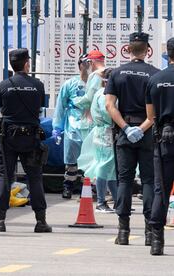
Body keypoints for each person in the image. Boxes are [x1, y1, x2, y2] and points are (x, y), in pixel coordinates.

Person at [0, 48, 51, 233]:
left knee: (4, 177)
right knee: (35, 178)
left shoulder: (4, 85)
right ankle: (41, 222)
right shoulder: (38, 85)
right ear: (26, 63)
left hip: (8, 137)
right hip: (31, 137)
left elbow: (2, 108)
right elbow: (39, 108)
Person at [105, 32, 159, 246]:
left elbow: (109, 105)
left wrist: (127, 128)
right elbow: (155, 112)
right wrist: (142, 127)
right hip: (147, 132)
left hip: (124, 131)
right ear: (147, 50)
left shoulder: (117, 73)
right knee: (148, 181)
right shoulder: (155, 74)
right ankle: (148, 231)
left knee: (125, 181)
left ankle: (124, 230)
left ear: (127, 49)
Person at [145, 37, 174, 255]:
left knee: (161, 190)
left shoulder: (155, 80)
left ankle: (157, 242)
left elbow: (150, 116)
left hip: (164, 141)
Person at [52, 55, 90, 199]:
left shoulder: (97, 83)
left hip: (91, 126)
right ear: (80, 65)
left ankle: (88, 190)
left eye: (90, 63)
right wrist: (57, 127)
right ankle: (68, 187)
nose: (88, 66)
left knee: (89, 160)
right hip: (73, 126)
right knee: (71, 161)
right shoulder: (69, 84)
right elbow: (60, 106)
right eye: (85, 63)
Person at [87, 68, 118, 213]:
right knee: (104, 167)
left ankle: (118, 201)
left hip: (106, 132)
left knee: (110, 168)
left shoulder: (102, 93)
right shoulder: (104, 95)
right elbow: (109, 113)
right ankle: (101, 201)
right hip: (106, 133)